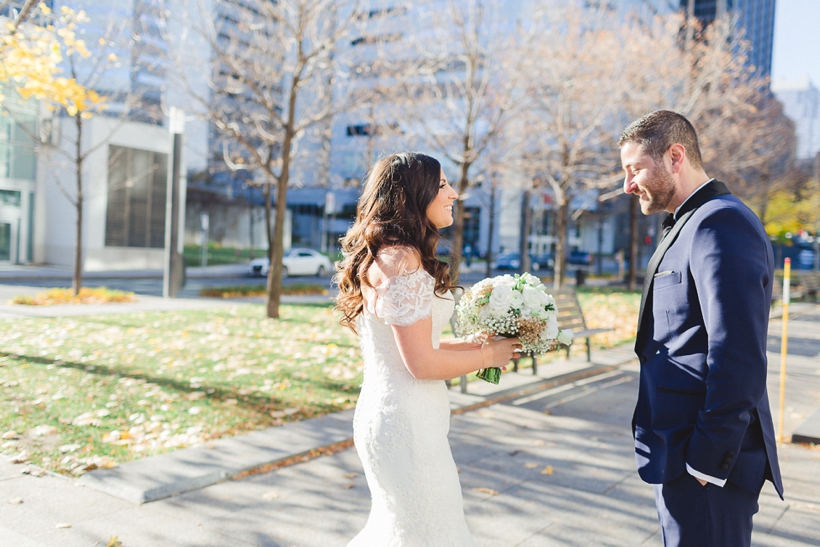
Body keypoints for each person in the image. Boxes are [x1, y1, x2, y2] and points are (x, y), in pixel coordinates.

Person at [334, 152, 521, 546]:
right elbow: (420, 362)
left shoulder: (387, 254)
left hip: (392, 414)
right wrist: (489, 358)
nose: (453, 193)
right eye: (441, 185)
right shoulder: (402, 260)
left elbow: (410, 346)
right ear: (412, 195)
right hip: (407, 425)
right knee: (428, 531)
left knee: (406, 527)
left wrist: (475, 344)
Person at [618, 110, 783, 547]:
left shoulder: (718, 223)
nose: (627, 185)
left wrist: (708, 462)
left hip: (707, 465)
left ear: (675, 156)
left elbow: (738, 354)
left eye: (635, 169)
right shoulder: (691, 223)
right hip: (678, 454)